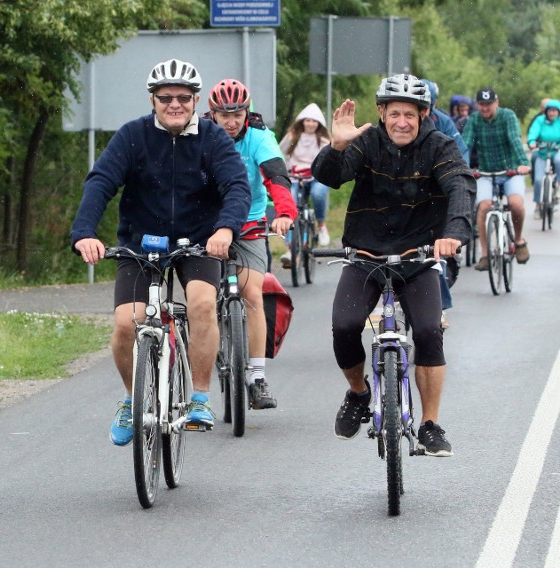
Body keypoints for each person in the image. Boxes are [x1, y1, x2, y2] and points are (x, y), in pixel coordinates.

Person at [70, 59, 251, 446]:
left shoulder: (213, 138)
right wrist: (84, 232)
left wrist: (225, 228)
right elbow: (101, 182)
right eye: (165, 97)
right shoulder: (132, 136)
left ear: (196, 100)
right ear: (152, 100)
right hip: (140, 243)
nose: (174, 104)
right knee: (125, 324)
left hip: (199, 242)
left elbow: (237, 186)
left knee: (202, 304)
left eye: (183, 98)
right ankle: (130, 400)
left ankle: (199, 398)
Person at [311, 74, 476, 457]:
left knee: (430, 330)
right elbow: (331, 176)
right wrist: (336, 146)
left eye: (411, 114)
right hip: (366, 255)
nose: (402, 122)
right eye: (394, 113)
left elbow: (460, 187)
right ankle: (358, 393)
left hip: (418, 258)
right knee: (345, 325)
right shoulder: (366, 142)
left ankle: (429, 424)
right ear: (382, 113)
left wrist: (452, 233)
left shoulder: (440, 146)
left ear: (424, 115)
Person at [202, 78, 297, 409]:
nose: (231, 122)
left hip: (250, 222)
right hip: (208, 225)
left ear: (247, 112)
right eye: (224, 115)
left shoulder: (259, 137)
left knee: (253, 294)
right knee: (200, 298)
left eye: (238, 114)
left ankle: (257, 376)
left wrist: (284, 212)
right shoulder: (199, 135)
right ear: (211, 113)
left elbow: (276, 176)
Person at [462, 87, 531, 270]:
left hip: (510, 171)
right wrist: (459, 166)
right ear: (478, 105)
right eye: (482, 105)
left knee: (516, 203)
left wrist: (523, 163)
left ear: (497, 103)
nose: (485, 108)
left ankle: (518, 240)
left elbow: (514, 139)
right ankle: (485, 254)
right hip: (486, 172)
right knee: (483, 207)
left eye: (489, 104)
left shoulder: (508, 116)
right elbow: (465, 143)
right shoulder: (474, 120)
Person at [422, 79, 470, 329]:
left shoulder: (444, 124)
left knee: (433, 256)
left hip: (436, 191)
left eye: (425, 107)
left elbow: (461, 154)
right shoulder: (394, 128)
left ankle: (437, 307)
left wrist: (456, 179)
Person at [279, 103, 332, 260]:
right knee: (291, 204)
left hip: (317, 177)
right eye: (307, 120)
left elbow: (330, 158)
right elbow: (280, 154)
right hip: (295, 177)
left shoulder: (323, 140)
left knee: (318, 194)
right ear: (302, 121)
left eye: (314, 121)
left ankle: (321, 225)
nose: (311, 124)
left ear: (319, 124)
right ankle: (290, 248)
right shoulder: (292, 137)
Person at [527, 99, 560, 219]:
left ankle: (557, 184)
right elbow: (533, 132)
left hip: (556, 151)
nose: (552, 113)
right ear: (546, 111)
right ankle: (537, 205)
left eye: (555, 111)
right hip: (542, 152)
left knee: (558, 161)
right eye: (550, 111)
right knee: (538, 180)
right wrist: (532, 142)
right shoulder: (539, 120)